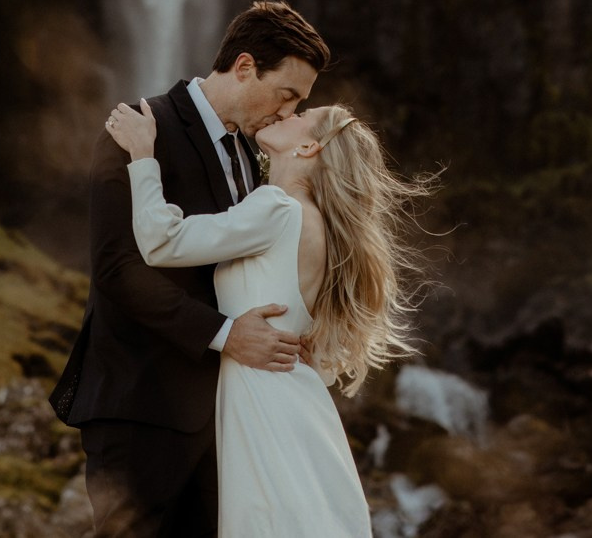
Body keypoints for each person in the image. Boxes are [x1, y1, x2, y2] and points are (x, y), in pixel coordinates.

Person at [49, 2, 331, 537]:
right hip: (140, 404)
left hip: (223, 417)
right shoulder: (137, 131)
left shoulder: (255, 152)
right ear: (245, 66)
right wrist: (226, 336)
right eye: (287, 94)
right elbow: (117, 268)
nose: (287, 113)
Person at [101, 92, 427, 538]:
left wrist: (142, 154)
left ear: (310, 147)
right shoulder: (320, 226)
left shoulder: (278, 207)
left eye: (303, 113)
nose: (290, 112)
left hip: (260, 403)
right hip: (298, 402)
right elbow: (325, 363)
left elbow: (162, 241)